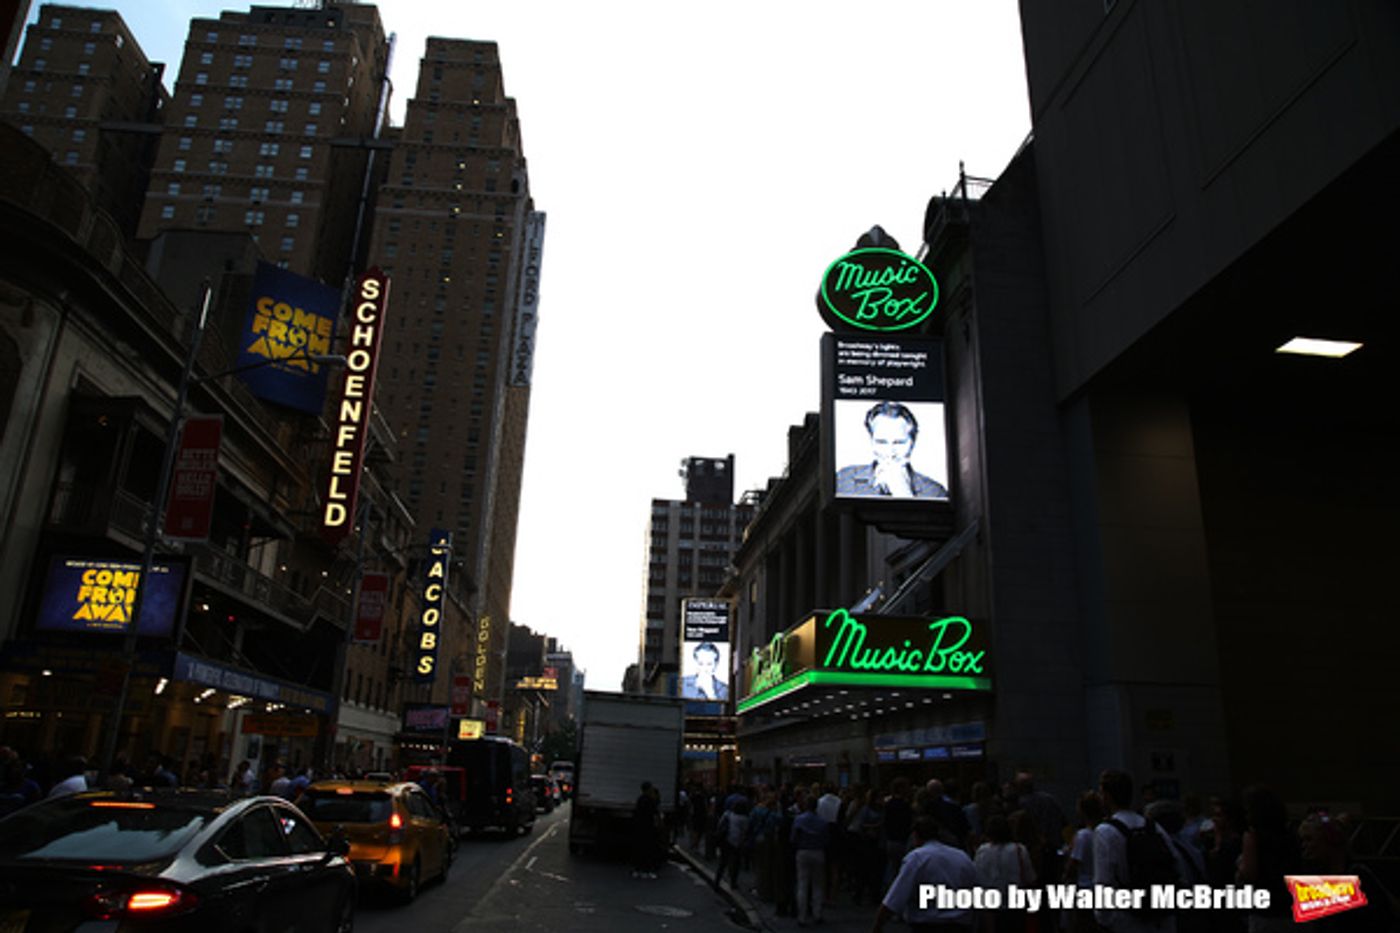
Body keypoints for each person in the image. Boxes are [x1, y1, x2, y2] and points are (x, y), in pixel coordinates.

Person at [1093, 770, 1177, 933]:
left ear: (1107, 796)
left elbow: (1103, 883)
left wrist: (1104, 919)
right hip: (1160, 918)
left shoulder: (1105, 832)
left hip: (1126, 919)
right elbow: (1175, 864)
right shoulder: (1152, 826)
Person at [874, 815, 980, 933]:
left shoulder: (917, 858)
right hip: (960, 924)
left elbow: (896, 897)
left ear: (915, 835)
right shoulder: (962, 856)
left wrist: (878, 925)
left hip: (928, 924)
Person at [835, 401, 947, 498]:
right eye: (881, 442)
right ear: (871, 441)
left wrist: (904, 493)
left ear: (913, 442)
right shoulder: (843, 480)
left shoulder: (935, 492)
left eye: (898, 443)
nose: (890, 452)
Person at [792, 795, 830, 926]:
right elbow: (826, 840)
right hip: (818, 852)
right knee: (817, 885)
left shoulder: (799, 819)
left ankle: (801, 917)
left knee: (802, 884)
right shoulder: (822, 822)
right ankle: (817, 913)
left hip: (803, 851)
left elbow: (793, 838)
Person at [632, 780, 661, 879]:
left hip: (640, 828)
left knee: (639, 849)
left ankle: (637, 870)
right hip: (649, 828)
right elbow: (655, 814)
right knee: (648, 850)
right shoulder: (651, 800)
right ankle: (647, 870)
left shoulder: (640, 799)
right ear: (648, 789)